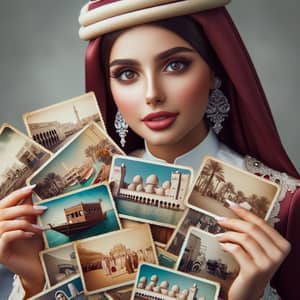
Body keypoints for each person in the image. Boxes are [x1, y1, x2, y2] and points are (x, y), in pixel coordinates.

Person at [1, 0, 299, 299]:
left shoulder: (284, 205)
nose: (152, 94)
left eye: (175, 65)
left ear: (215, 71)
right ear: (110, 88)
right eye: (127, 74)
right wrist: (34, 279)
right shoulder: (85, 193)